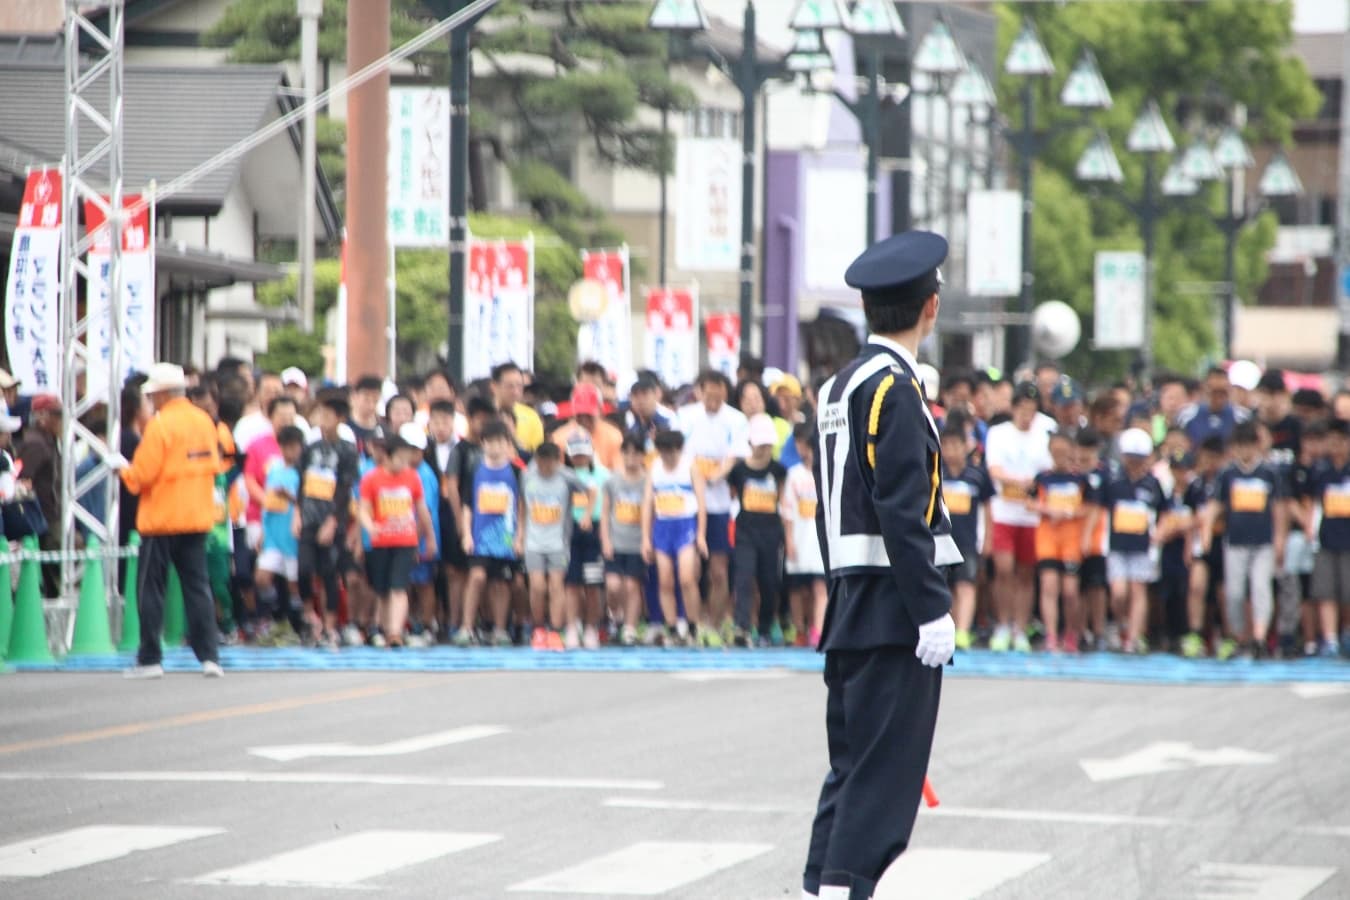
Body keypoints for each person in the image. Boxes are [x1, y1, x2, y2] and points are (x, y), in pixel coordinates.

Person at [805, 231, 958, 900]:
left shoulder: (839, 386)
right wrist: (931, 609)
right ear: (931, 307)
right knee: (883, 779)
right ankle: (844, 890)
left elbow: (830, 504)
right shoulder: (894, 387)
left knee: (852, 770)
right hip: (893, 608)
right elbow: (902, 507)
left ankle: (821, 888)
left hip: (851, 600)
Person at [114, 363, 224, 679]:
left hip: (161, 520)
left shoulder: (160, 426)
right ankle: (210, 657)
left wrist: (122, 469)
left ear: (162, 395)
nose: (150, 401)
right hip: (196, 518)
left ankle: (150, 658)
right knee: (197, 588)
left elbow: (142, 476)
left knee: (151, 589)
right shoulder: (204, 422)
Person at [1202, 421, 1287, 659]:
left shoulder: (1269, 473)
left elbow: (1279, 509)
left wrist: (1280, 538)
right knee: (1234, 592)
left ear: (1257, 446)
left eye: (1248, 445)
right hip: (1235, 541)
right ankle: (1239, 636)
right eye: (1239, 446)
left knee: (1260, 588)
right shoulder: (1227, 474)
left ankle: (1259, 636)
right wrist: (1206, 529)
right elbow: (1216, 505)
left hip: (1263, 542)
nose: (1244, 451)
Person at [679, 370, 747, 639]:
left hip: (721, 505)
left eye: (718, 396)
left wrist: (716, 476)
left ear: (725, 393)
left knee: (719, 571)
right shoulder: (686, 416)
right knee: (692, 570)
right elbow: (679, 455)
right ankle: (694, 624)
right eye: (708, 395)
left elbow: (735, 456)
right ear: (699, 391)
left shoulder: (736, 419)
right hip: (689, 505)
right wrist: (697, 478)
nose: (713, 401)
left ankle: (715, 625)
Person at [984, 382, 1051, 652]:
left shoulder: (1045, 433)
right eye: (1022, 409)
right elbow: (994, 470)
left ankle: (1020, 628)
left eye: (1032, 410)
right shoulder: (999, 433)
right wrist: (1020, 482)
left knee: (1026, 573)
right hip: (1004, 512)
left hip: (1031, 516)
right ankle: (1002, 624)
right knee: (1004, 570)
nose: (1027, 415)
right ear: (1013, 408)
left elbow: (1049, 471)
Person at [294, 390, 360, 650]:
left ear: (340, 418)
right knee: (303, 570)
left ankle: (330, 628)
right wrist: (297, 513)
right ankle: (310, 616)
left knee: (330, 573)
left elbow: (345, 490)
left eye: (328, 415)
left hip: (332, 521)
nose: (323, 420)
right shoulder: (310, 449)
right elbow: (301, 483)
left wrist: (333, 522)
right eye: (320, 414)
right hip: (308, 518)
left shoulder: (347, 451)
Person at [358, 432, 437, 648]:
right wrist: (370, 527)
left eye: (406, 458)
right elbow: (363, 509)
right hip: (381, 541)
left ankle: (395, 632)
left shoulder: (412, 477)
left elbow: (422, 509)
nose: (404, 463)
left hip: (405, 540)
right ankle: (385, 630)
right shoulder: (371, 479)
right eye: (400, 458)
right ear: (387, 456)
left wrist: (430, 537)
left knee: (399, 587)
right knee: (382, 590)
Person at [1093, 428, 1167, 654]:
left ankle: (1133, 639)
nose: (1134, 463)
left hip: (1143, 546)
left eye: (1139, 459)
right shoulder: (1112, 481)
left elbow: (1164, 512)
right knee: (1119, 592)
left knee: (1138, 590)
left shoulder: (1152, 483)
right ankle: (1121, 624)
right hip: (1116, 545)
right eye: (1131, 458)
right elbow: (1099, 509)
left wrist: (1160, 532)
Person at [456, 419, 524, 647]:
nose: (495, 447)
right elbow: (467, 505)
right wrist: (467, 534)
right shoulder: (475, 470)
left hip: (506, 538)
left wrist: (519, 537)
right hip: (480, 536)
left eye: (500, 442)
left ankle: (500, 629)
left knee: (501, 583)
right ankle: (466, 627)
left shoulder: (516, 471)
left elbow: (522, 507)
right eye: (490, 442)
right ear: (483, 444)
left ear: (508, 444)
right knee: (476, 577)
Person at [726, 414, 789, 647]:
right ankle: (741, 626)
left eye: (768, 445)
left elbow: (783, 499)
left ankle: (764, 628)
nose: (764, 449)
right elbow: (733, 494)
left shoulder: (779, 470)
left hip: (771, 532)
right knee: (743, 577)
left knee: (769, 582)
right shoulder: (739, 470)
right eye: (760, 444)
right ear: (750, 443)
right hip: (745, 531)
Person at [642, 429, 707, 647]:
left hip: (685, 525)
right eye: (663, 452)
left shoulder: (690, 468)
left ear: (679, 450)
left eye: (672, 452)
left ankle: (693, 626)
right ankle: (672, 628)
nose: (668, 457)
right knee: (665, 580)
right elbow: (647, 505)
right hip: (662, 527)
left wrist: (701, 535)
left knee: (687, 578)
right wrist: (645, 538)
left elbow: (701, 503)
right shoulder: (655, 468)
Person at [520, 441, 585, 651]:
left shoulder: (567, 476)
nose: (545, 468)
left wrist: (586, 514)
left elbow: (591, 490)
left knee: (556, 586)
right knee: (537, 586)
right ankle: (539, 629)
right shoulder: (527, 476)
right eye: (542, 463)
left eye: (550, 463)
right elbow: (522, 505)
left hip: (558, 542)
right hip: (533, 541)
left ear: (557, 461)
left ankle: (556, 631)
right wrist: (519, 535)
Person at [1030, 431, 1090, 652]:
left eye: (1063, 451)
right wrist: (1048, 509)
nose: (1060, 455)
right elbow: (1030, 502)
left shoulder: (1080, 479)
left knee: (1070, 591)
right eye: (1055, 451)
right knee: (1049, 586)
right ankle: (1051, 635)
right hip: (1047, 539)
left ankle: (1071, 632)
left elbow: (1090, 507)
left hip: (1072, 540)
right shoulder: (1042, 478)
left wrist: (1068, 512)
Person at [939, 424, 992, 652]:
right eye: (946, 445)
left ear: (965, 446)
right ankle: (948, 629)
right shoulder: (935, 473)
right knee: (945, 585)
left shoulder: (977, 475)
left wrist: (988, 538)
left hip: (967, 542)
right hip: (941, 540)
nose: (951, 451)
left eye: (956, 445)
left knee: (966, 584)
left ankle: (962, 631)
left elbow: (988, 508)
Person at [254, 425, 309, 644]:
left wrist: (289, 496)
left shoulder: (302, 473)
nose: (291, 451)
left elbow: (306, 502)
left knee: (294, 585)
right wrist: (262, 531)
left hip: (292, 537)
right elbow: (267, 503)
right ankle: (277, 614)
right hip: (273, 535)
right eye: (287, 447)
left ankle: (298, 623)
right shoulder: (274, 471)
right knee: (262, 577)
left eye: (295, 447)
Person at [1300, 418, 1350, 657]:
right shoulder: (1320, 469)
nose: (1335, 446)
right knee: (1326, 590)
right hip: (1326, 537)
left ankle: (1347, 633)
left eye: (1340, 441)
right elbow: (1311, 500)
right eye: (1331, 441)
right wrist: (1309, 526)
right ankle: (1330, 639)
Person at [601, 436, 650, 646]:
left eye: (636, 453)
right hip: (616, 541)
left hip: (637, 543)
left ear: (643, 456)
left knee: (632, 586)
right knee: (613, 586)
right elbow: (605, 513)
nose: (631, 457)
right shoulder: (612, 481)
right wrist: (605, 540)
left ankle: (630, 627)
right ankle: (616, 616)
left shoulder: (648, 482)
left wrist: (647, 541)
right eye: (627, 452)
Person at [782, 423, 827, 648]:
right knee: (798, 589)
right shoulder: (794, 475)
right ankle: (799, 629)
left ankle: (817, 631)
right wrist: (789, 540)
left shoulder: (827, 471)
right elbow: (787, 511)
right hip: (800, 539)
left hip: (820, 542)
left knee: (820, 587)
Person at [397, 423, 441, 646]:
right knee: (406, 583)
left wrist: (415, 542)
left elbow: (427, 513)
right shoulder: (403, 472)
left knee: (424, 583)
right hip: (404, 536)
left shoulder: (424, 475)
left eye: (416, 450)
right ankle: (410, 624)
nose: (412, 454)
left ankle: (426, 625)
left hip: (420, 540)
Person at [15, 393, 62, 597]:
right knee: (51, 567)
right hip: (43, 517)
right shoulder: (36, 444)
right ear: (42, 416)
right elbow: (22, 480)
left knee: (54, 566)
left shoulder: (48, 441)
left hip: (49, 514)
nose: (61, 420)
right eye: (57, 414)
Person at [563, 431, 606, 649]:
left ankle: (591, 627)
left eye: (583, 453)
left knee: (592, 584)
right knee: (571, 584)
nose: (579, 458)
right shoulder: (562, 474)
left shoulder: (603, 475)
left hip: (594, 531)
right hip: (568, 531)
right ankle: (572, 626)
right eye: (575, 454)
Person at [491, 362, 544, 452]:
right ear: (494, 386)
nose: (515, 392)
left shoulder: (531, 417)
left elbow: (536, 455)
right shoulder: (483, 415)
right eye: (509, 386)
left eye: (519, 386)